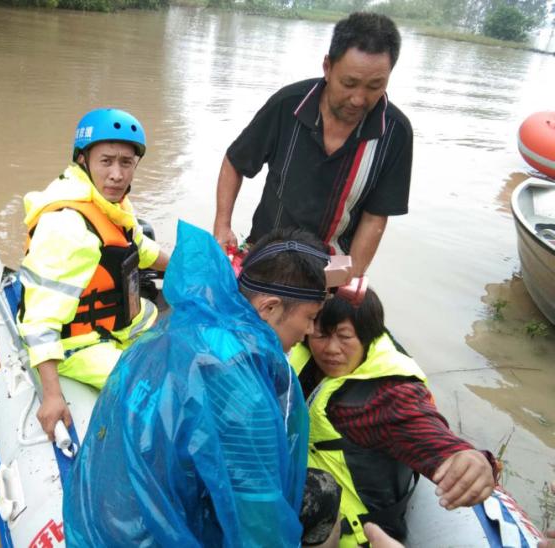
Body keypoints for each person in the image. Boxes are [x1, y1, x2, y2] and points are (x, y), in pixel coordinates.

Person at [64, 221, 341, 547]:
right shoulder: (243, 390)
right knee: (326, 493)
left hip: (97, 523)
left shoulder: (176, 328)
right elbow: (260, 527)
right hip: (152, 537)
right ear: (269, 308)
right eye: (309, 318)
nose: (309, 332)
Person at [289, 288, 498, 547]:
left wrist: (471, 458)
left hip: (349, 531)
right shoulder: (302, 355)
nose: (331, 349)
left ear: (368, 336)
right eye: (321, 335)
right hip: (307, 493)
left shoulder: (387, 397)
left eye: (345, 337)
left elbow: (426, 431)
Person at [214, 12, 412, 277]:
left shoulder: (395, 133)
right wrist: (222, 224)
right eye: (349, 83)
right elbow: (235, 161)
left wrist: (350, 277)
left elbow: (375, 217)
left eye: (375, 86)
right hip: (265, 256)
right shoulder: (288, 105)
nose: (358, 99)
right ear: (328, 67)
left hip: (328, 270)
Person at [18, 108, 169, 439]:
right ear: (83, 160)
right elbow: (40, 320)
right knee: (161, 397)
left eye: (126, 163)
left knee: (187, 346)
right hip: (78, 344)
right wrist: (53, 396)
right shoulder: (67, 227)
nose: (117, 174)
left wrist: (196, 269)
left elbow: (143, 250)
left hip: (119, 326)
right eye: (106, 161)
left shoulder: (111, 206)